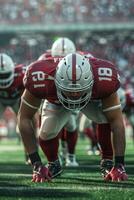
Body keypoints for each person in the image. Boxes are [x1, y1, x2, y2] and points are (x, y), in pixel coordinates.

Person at [18, 52, 128, 182]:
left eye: (79, 90)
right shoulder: (39, 77)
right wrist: (36, 163)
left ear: (91, 80)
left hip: (90, 100)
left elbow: (117, 121)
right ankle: (54, 163)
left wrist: (119, 164)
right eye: (69, 91)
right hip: (57, 100)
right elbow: (24, 118)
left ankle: (108, 161)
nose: (74, 95)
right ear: (55, 79)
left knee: (107, 118)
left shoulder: (104, 79)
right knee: (46, 132)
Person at [39, 37, 79, 167]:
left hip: (72, 95)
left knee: (71, 125)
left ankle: (70, 156)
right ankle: (57, 157)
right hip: (52, 96)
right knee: (50, 128)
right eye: (58, 59)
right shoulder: (43, 59)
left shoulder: (82, 58)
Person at [0, 53, 38, 164]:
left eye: (5, 75)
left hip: (17, 99)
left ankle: (30, 153)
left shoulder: (22, 73)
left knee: (30, 121)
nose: (2, 78)